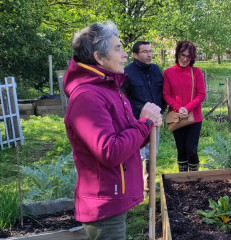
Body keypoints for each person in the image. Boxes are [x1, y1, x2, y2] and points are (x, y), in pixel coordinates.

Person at [63, 21, 162, 240]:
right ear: (99, 57)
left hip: (114, 197)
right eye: (118, 48)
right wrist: (143, 123)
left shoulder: (109, 90)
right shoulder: (87, 98)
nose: (125, 55)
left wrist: (146, 126)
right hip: (105, 204)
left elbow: (126, 139)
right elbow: (109, 151)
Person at [123, 41, 165, 191]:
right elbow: (123, 97)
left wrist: (162, 109)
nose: (149, 55)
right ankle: (136, 185)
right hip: (136, 121)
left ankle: (149, 184)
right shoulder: (127, 72)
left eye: (150, 51)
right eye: (145, 52)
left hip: (155, 119)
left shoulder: (155, 69)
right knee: (138, 154)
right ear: (135, 55)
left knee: (152, 152)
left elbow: (162, 91)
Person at [163, 41, 205, 172]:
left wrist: (187, 108)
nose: (185, 59)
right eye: (182, 55)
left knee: (191, 149)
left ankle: (193, 178)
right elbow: (166, 94)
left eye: (188, 56)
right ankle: (182, 179)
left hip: (194, 117)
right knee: (181, 149)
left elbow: (201, 94)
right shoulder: (169, 72)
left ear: (192, 58)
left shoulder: (196, 72)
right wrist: (178, 107)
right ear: (177, 54)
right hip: (176, 117)